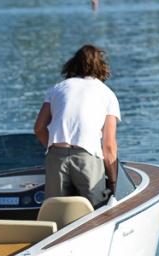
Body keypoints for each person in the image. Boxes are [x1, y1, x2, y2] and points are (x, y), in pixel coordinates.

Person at [33, 44, 121, 207]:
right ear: (101, 66)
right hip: (87, 157)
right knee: (94, 214)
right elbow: (109, 146)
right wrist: (114, 182)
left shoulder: (57, 89)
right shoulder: (107, 94)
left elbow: (39, 128)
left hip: (57, 155)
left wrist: (54, 150)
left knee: (56, 211)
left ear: (73, 64)